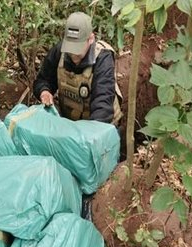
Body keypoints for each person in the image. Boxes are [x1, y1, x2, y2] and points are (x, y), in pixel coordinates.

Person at [33, 11, 122, 221]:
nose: (73, 55)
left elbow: (102, 106)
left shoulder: (103, 58)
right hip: (71, 128)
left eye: (78, 49)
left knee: (96, 186)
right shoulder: (60, 52)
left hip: (101, 131)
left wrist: (85, 148)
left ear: (90, 39)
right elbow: (42, 80)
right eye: (70, 48)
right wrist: (44, 92)